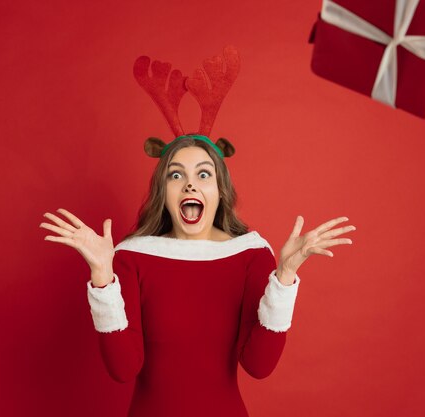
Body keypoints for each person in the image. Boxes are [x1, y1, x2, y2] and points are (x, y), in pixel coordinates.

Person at [39, 47, 356, 417]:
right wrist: (102, 278)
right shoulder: (131, 257)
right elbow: (123, 370)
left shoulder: (251, 256)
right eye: (177, 175)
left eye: (203, 174)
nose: (190, 185)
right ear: (164, 190)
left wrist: (284, 278)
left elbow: (259, 366)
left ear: (220, 190)